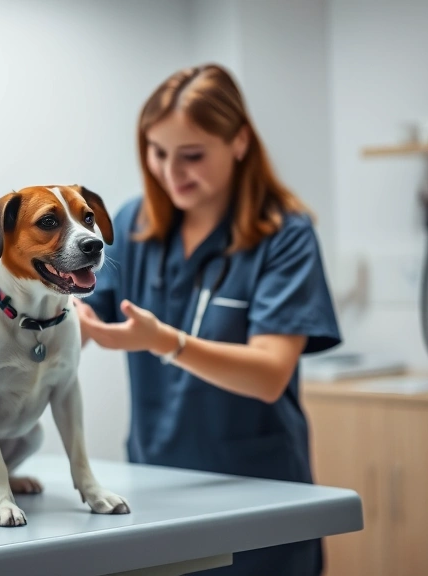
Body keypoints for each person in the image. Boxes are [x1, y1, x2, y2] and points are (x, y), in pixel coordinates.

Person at [73, 64, 341, 576]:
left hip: (261, 499)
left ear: (239, 141)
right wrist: (56, 318)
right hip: (157, 490)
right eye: (157, 152)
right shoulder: (131, 224)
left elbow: (270, 374)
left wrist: (166, 341)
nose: (171, 172)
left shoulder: (285, 235)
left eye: (192, 155)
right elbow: (86, 314)